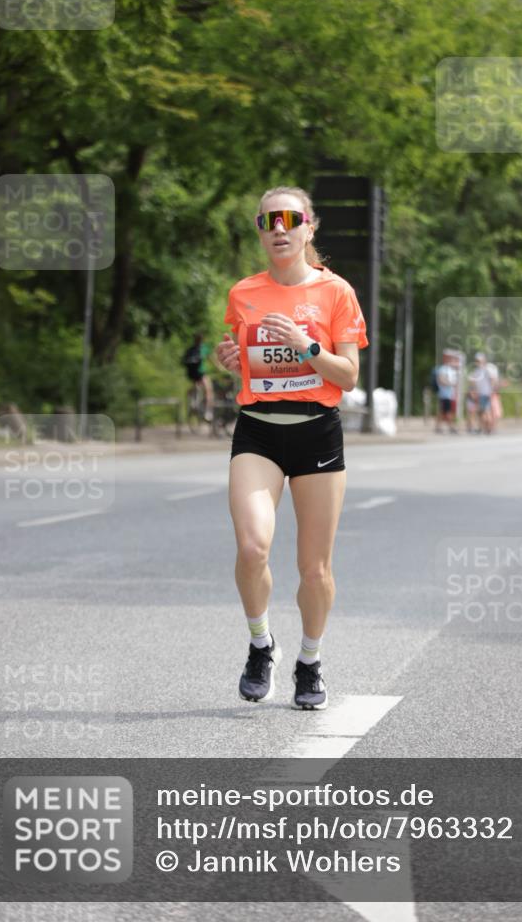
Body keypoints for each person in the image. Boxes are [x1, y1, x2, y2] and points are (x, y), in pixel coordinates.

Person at [216, 185, 368, 711]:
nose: (278, 229)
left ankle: (310, 660)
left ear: (309, 227)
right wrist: (231, 359)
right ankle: (262, 645)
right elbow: (250, 361)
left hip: (316, 430)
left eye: (289, 218)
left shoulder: (336, 293)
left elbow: (347, 375)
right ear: (260, 231)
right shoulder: (243, 293)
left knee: (314, 569)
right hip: (257, 429)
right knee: (253, 547)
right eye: (267, 221)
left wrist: (306, 346)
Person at [182, 333, 214, 421]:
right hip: (201, 372)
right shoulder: (203, 348)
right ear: (202, 340)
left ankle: (193, 401)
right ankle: (208, 412)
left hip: (192, 374)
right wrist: (220, 368)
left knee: (196, 386)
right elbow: (211, 360)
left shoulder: (190, 349)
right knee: (209, 390)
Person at [468, 352, 498, 434]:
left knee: (484, 411)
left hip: (484, 394)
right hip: (484, 393)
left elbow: (473, 382)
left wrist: (491, 390)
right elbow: (492, 380)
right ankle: (486, 428)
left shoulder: (482, 370)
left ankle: (488, 428)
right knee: (485, 411)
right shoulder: (480, 370)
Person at [434, 352, 458, 434]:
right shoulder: (443, 369)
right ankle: (451, 427)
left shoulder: (451, 370)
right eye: (450, 359)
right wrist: (450, 383)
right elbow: (441, 380)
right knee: (447, 411)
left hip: (450, 395)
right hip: (445, 394)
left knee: (443, 411)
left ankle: (438, 427)